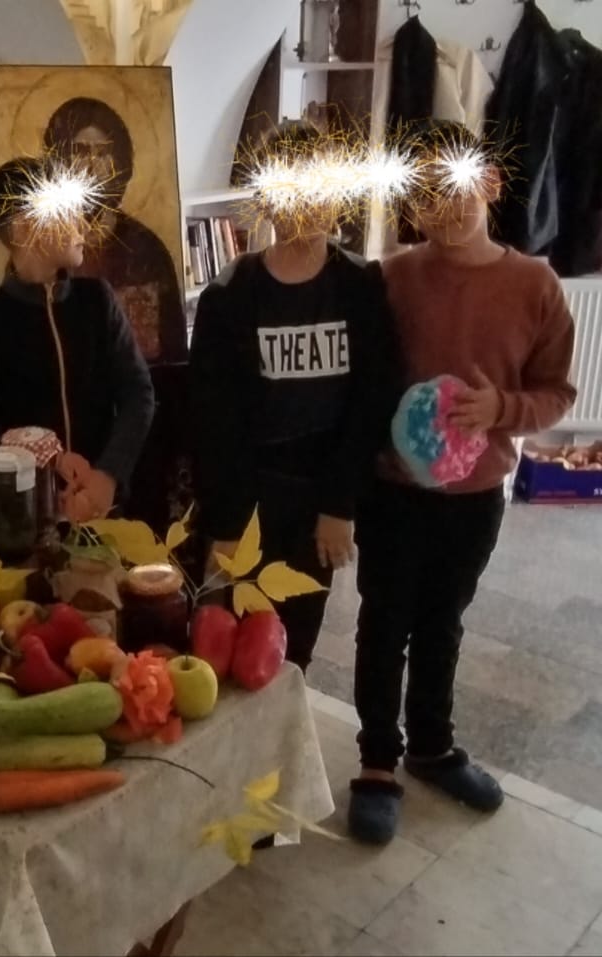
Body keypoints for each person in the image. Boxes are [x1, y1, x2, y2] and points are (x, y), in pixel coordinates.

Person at [347, 120, 576, 845]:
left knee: (442, 619)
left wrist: (500, 409)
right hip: (392, 489)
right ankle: (376, 760)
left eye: (455, 188)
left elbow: (557, 392)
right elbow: (362, 380)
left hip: (475, 494)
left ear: (491, 182)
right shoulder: (390, 277)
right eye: (425, 194)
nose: (442, 208)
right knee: (384, 621)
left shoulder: (534, 285)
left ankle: (432, 745)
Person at [189, 120, 400, 671]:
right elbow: (214, 422)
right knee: (225, 650)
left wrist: (340, 504)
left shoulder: (360, 286)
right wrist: (227, 524)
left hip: (321, 497)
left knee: (290, 652)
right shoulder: (230, 296)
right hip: (248, 495)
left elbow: (372, 402)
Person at [0, 156, 154, 522]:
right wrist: (47, 462)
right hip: (26, 519)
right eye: (68, 211)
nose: (83, 224)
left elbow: (137, 394)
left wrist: (107, 476)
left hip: (106, 509)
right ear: (24, 229)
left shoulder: (98, 301)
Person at [44, 97, 186, 363]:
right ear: (60, 160)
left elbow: (173, 348)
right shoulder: (42, 251)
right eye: (80, 151)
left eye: (102, 153)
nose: (91, 165)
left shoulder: (147, 249)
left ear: (118, 164)